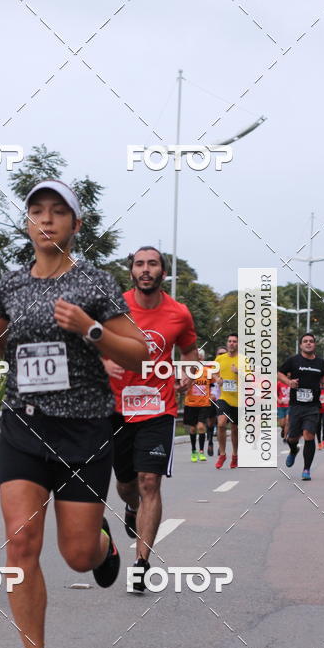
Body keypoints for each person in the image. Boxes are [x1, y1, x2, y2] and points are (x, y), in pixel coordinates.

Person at [0, 179, 148, 648]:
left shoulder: (94, 282)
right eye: (37, 211)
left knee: (76, 555)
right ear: (27, 221)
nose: (46, 220)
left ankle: (102, 546)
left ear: (76, 224)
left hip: (82, 431)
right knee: (21, 541)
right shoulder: (11, 284)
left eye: (57, 212)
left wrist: (91, 328)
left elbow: (139, 353)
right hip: (23, 426)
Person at [104, 246, 197, 593]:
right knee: (127, 485)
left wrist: (188, 371)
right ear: (132, 271)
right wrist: (103, 362)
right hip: (117, 408)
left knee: (149, 482)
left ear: (163, 272)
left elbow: (188, 351)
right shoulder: (114, 307)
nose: (145, 269)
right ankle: (131, 508)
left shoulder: (179, 313)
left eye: (152, 264)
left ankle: (141, 564)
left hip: (159, 408)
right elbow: (93, 342)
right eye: (139, 264)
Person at [278, 332, 324, 481]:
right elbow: (279, 373)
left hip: (313, 406)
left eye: (311, 341)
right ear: (301, 345)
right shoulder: (293, 360)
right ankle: (294, 450)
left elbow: (323, 377)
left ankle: (306, 469)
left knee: (308, 435)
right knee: (292, 438)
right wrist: (289, 382)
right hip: (296, 406)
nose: (308, 343)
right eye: (305, 341)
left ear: (314, 344)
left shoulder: (321, 362)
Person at [214, 333, 239, 469]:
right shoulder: (220, 358)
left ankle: (235, 455)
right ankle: (222, 454)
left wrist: (238, 372)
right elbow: (213, 372)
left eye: (234, 341)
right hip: (224, 398)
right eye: (229, 341)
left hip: (239, 400)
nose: (231, 343)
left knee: (235, 429)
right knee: (221, 423)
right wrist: (217, 379)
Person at [183, 348, 211, 463]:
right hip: (190, 404)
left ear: (203, 358)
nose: (199, 359)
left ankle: (201, 451)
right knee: (193, 428)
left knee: (200, 427)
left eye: (200, 357)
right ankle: (194, 450)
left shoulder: (208, 371)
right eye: (196, 357)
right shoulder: (188, 371)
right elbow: (183, 385)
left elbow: (214, 383)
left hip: (203, 404)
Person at [206, 346, 226, 456]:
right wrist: (209, 394)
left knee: (221, 423)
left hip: (224, 399)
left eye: (224, 353)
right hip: (212, 398)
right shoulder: (210, 367)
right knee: (210, 421)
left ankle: (220, 445)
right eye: (220, 353)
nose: (222, 355)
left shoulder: (229, 366)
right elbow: (204, 382)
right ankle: (210, 441)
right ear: (216, 355)